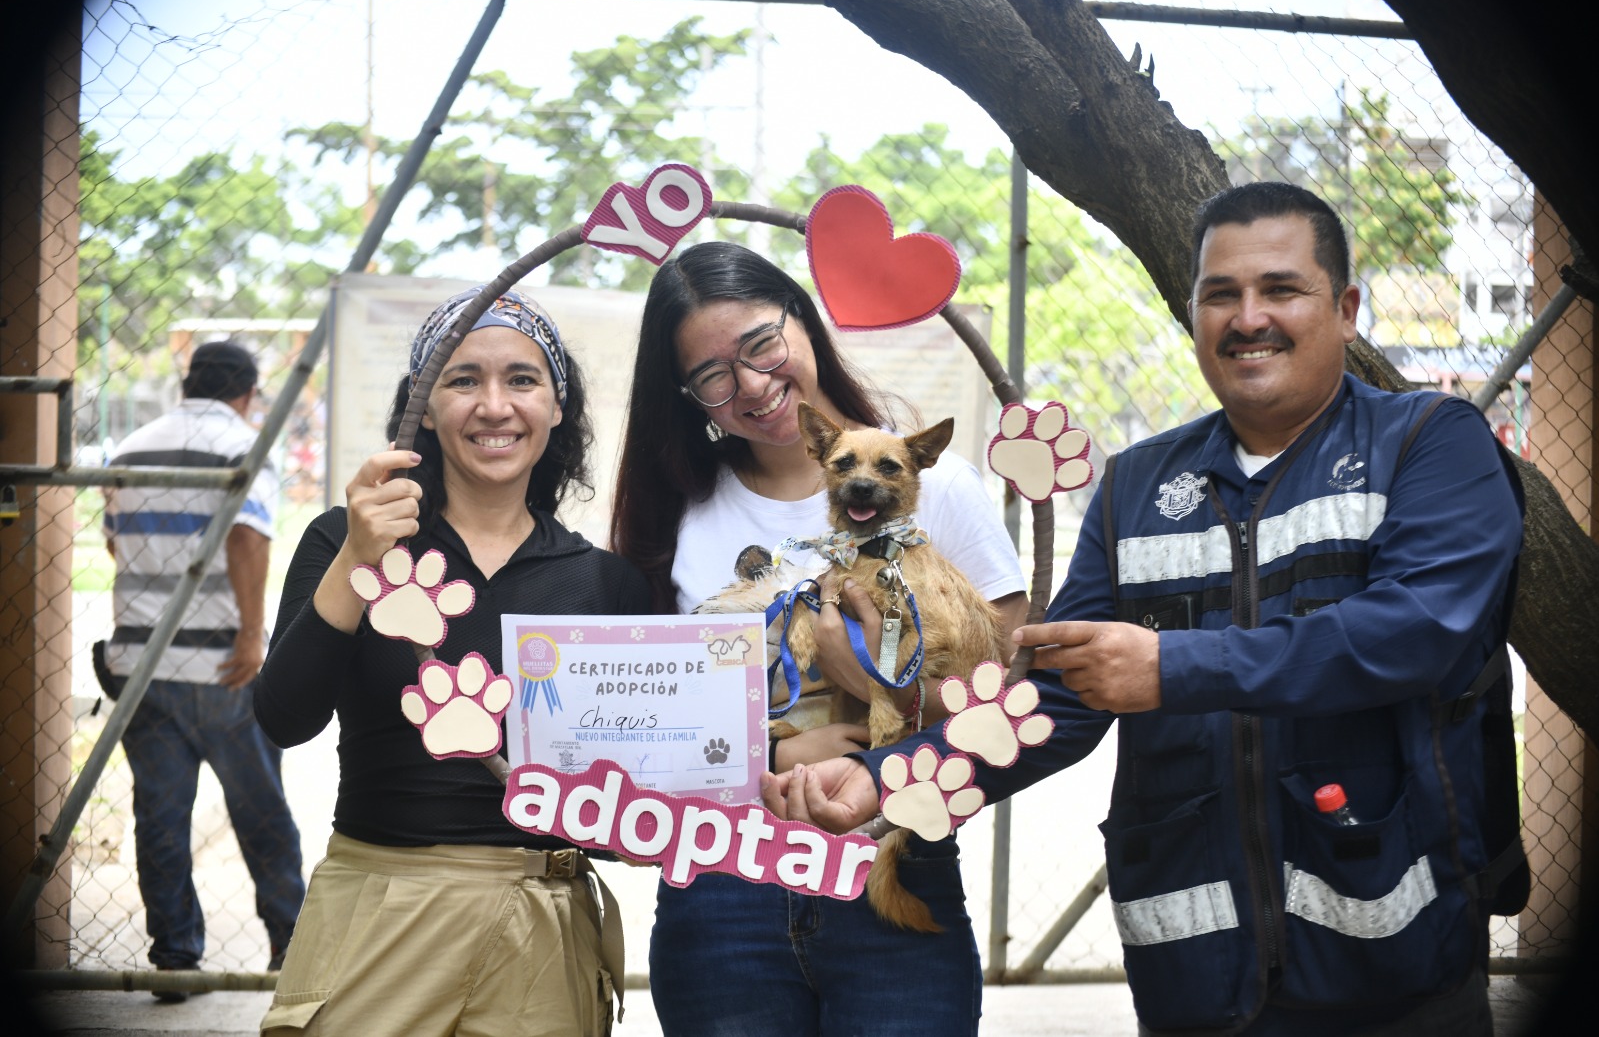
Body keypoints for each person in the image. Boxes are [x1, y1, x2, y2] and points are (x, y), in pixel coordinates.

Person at [766, 183, 1527, 1035]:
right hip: (1195, 978)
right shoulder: (1138, 482)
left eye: (1281, 289)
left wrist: (1171, 667)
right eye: (1219, 295)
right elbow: (1053, 702)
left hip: (1393, 964)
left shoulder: (1431, 442)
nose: (1247, 317)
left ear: (1345, 309)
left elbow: (1417, 634)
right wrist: (880, 781)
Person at [609, 241, 1026, 1036]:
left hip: (894, 851)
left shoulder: (937, 487)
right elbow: (652, 720)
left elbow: (1011, 702)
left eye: (761, 344)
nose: (752, 385)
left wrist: (873, 683)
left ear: (802, 319)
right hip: (722, 879)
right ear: (689, 395)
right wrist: (771, 757)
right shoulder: (678, 517)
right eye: (712, 375)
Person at [254, 289, 649, 1036]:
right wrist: (359, 562)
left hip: (545, 915)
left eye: (522, 380)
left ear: (557, 406)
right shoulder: (344, 540)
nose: (494, 406)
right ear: (424, 409)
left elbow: (635, 788)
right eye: (463, 379)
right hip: (381, 900)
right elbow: (283, 717)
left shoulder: (606, 583)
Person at [102, 340, 305, 998]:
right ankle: (290, 948)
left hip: (142, 663)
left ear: (189, 383)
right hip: (225, 666)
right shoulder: (245, 446)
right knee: (263, 814)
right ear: (247, 394)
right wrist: (252, 635)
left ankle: (175, 958)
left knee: (160, 814)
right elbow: (247, 537)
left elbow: (114, 539)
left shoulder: (130, 448)